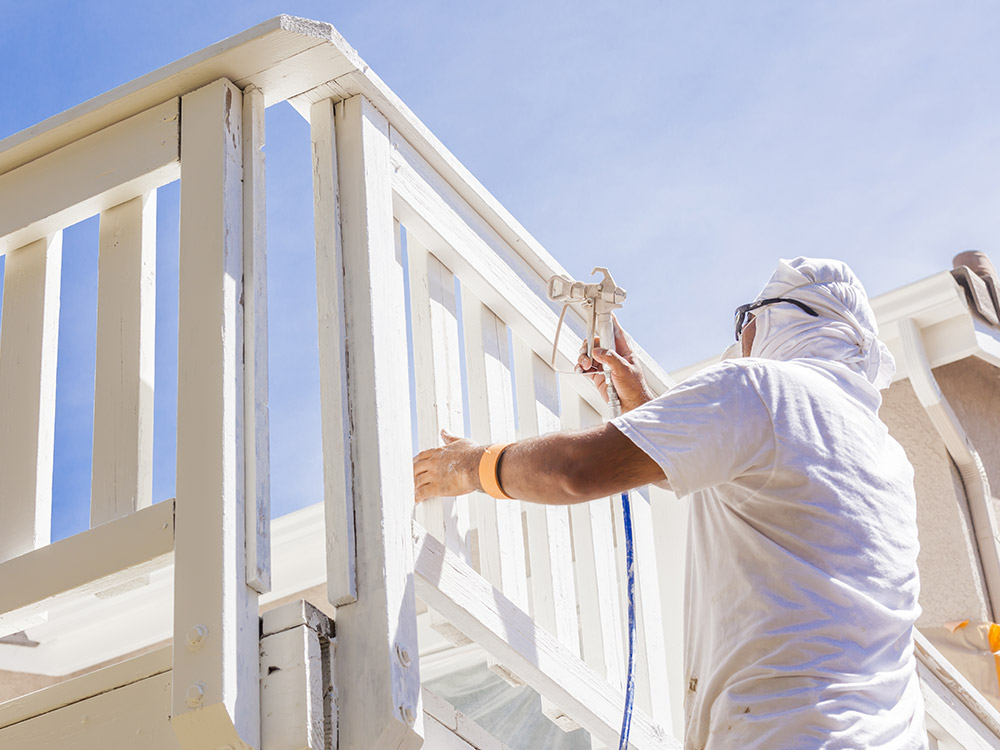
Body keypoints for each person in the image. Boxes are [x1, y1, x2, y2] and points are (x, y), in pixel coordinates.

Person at [413, 257, 926, 749]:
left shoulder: (763, 388)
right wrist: (638, 402)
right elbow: (744, 478)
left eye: (745, 319)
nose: (741, 337)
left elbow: (577, 470)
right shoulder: (886, 455)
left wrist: (474, 465)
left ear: (776, 320)